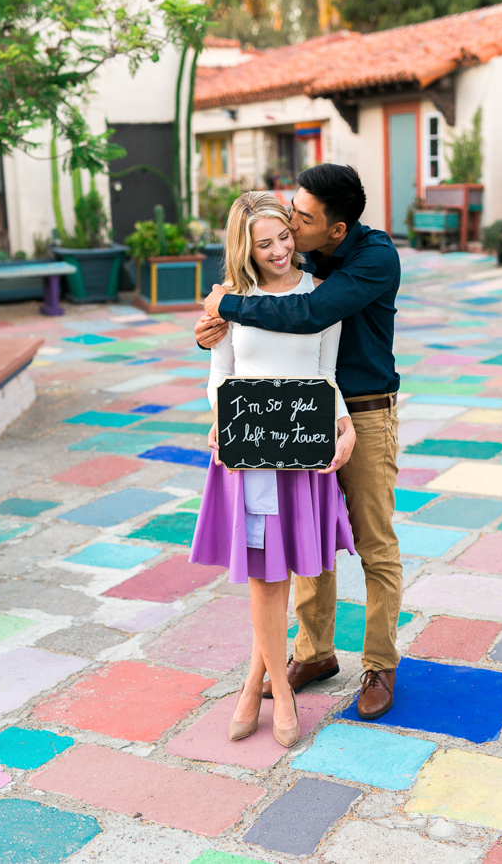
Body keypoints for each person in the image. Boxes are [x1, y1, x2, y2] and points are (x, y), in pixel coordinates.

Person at [194, 164, 404, 721]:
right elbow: (249, 319)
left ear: (335, 230)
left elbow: (308, 315)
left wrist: (225, 306)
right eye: (290, 209)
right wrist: (212, 328)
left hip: (361, 411)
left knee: (373, 542)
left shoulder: (374, 258)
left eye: (301, 219)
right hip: (292, 412)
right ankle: (314, 654)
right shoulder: (295, 253)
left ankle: (380, 663)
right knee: (307, 535)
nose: (289, 224)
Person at [190, 191, 357, 747]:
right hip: (253, 444)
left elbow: (326, 370)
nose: (281, 249)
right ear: (246, 247)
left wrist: (345, 422)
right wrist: (220, 421)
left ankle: (251, 685)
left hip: (303, 442)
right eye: (265, 244)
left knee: (289, 567)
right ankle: (281, 697)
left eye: (285, 237)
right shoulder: (231, 300)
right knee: (265, 571)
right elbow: (220, 374)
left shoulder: (319, 296)